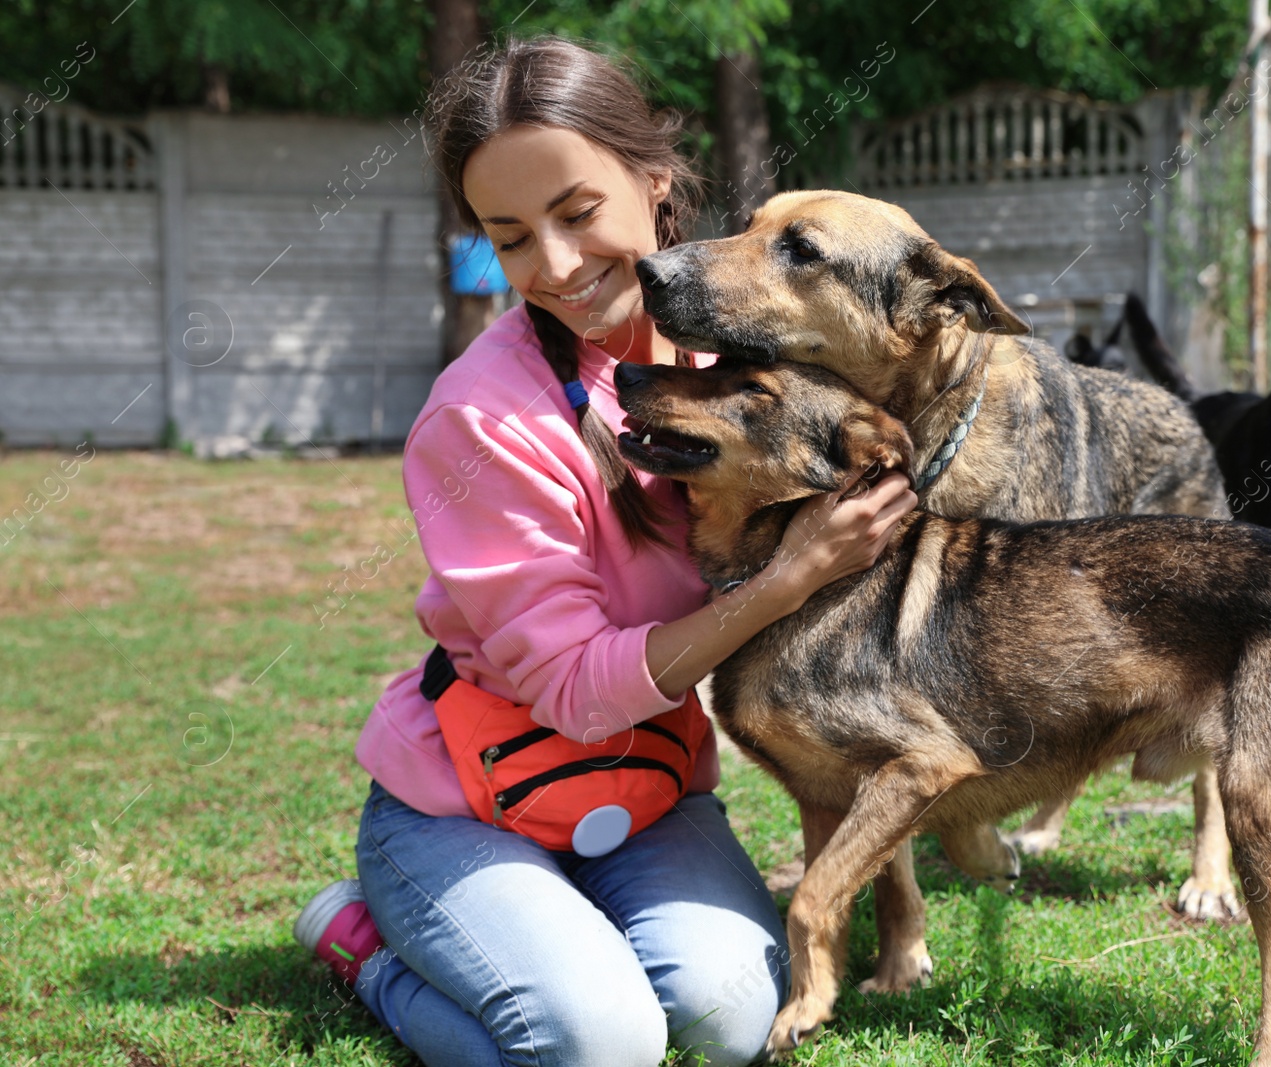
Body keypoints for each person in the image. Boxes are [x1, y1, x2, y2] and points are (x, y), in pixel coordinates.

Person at [291, 35, 918, 1067]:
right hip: (470, 798)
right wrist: (793, 574)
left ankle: (566, 931)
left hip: (647, 784)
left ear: (654, 178)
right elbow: (576, 689)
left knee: (729, 1019)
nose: (559, 264)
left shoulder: (748, 354)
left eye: (577, 213)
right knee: (591, 1041)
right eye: (514, 237)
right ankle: (370, 947)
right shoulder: (483, 419)